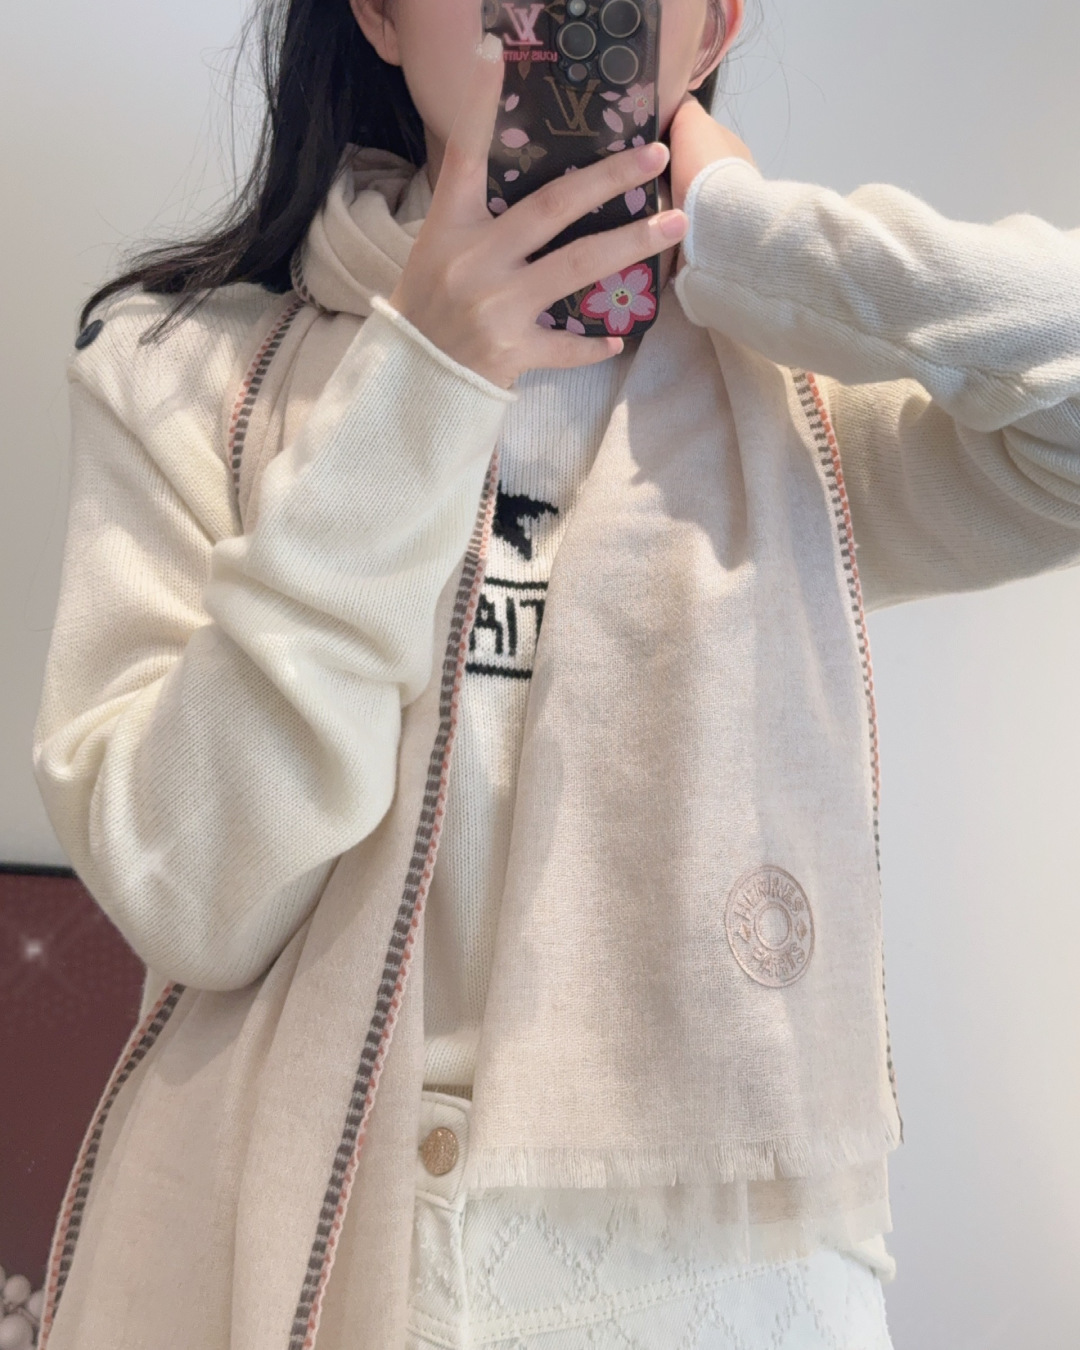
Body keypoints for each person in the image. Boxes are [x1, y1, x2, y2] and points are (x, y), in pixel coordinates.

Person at [30, 0, 1080, 1347]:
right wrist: (422, 382)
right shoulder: (188, 376)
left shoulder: (792, 397)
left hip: (713, 1286)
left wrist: (756, 235)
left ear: (710, 32)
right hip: (307, 1266)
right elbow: (189, 888)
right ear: (380, 15)